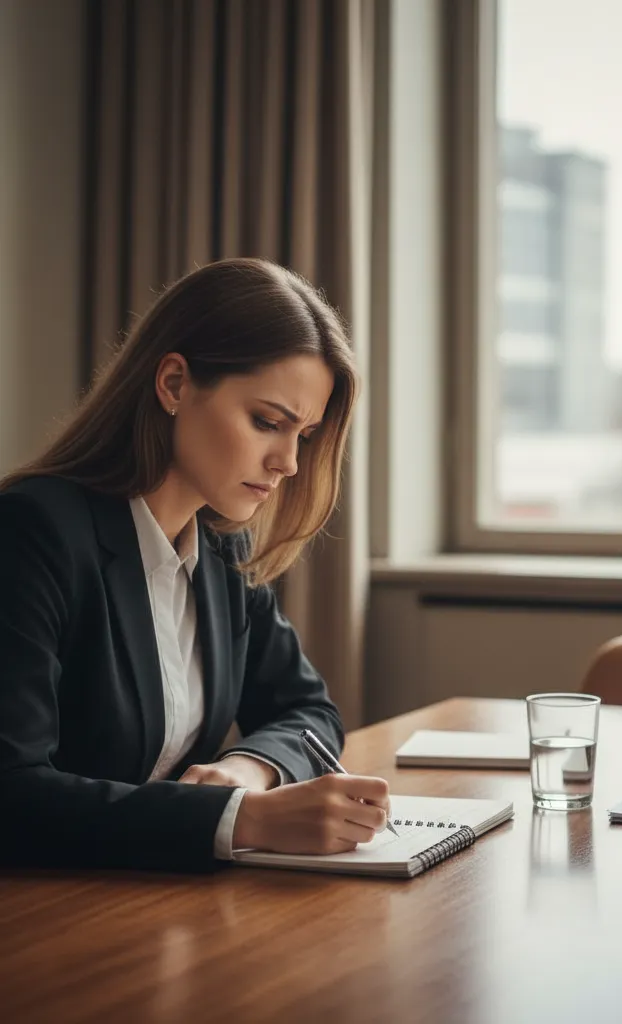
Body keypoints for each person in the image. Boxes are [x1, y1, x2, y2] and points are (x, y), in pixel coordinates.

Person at [0, 257, 390, 872]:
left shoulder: (220, 548)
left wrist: (247, 768)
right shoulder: (32, 531)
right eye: (268, 422)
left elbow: (309, 713)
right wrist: (241, 819)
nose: (288, 462)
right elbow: (11, 793)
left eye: (304, 435)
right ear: (175, 385)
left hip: (154, 901)